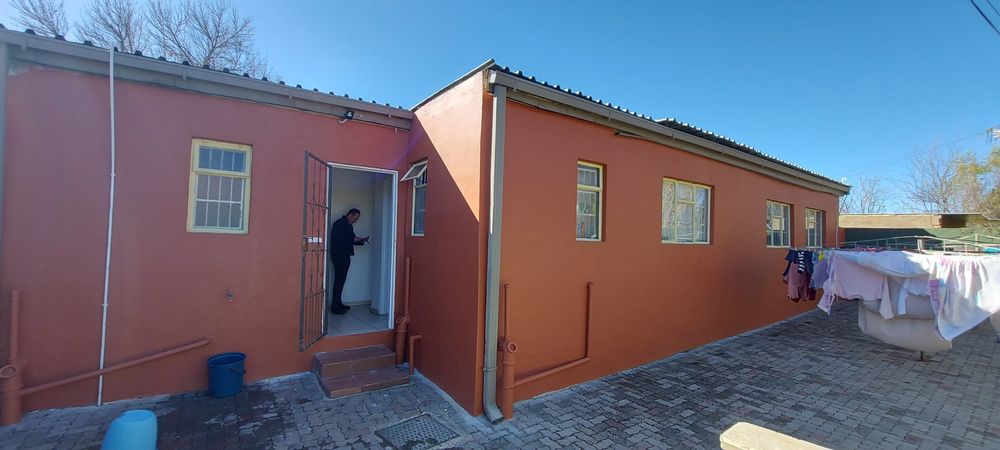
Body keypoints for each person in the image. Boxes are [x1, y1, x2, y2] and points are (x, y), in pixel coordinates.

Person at [329, 208, 369, 315]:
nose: (355, 221)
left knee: (341, 281)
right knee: (339, 281)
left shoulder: (347, 225)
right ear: (350, 215)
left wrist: (360, 241)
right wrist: (358, 239)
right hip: (339, 256)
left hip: (344, 256)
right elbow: (349, 239)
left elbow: (351, 238)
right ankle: (335, 307)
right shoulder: (340, 224)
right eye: (355, 218)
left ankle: (338, 303)